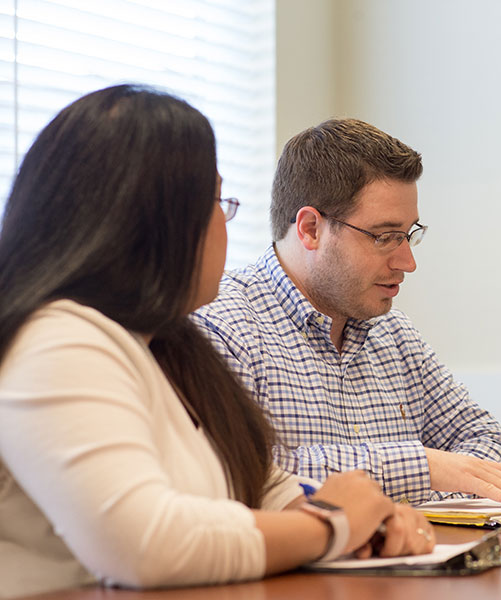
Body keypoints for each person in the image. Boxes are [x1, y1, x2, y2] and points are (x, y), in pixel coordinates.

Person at [0, 86, 433, 599]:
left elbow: (263, 488)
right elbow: (146, 545)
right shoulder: (58, 340)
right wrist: (335, 524)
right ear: (145, 222)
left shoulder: (168, 345)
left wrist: (368, 522)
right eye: (217, 203)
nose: (225, 227)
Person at [191, 118, 501, 506]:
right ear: (310, 229)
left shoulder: (394, 333)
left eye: (409, 234)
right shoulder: (221, 321)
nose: (407, 262)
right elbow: (242, 471)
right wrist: (422, 468)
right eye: (385, 237)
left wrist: (418, 488)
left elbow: (493, 447)